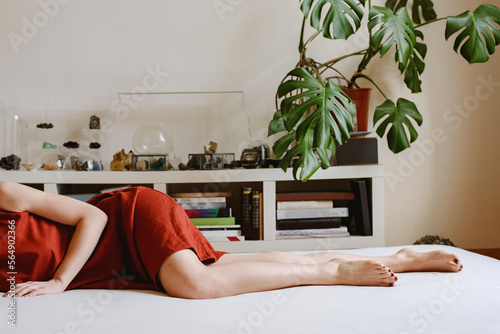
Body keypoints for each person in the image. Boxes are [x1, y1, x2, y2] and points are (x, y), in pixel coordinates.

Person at [0, 181, 462, 299]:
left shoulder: (3, 194)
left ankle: (332, 272)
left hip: (128, 219)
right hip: (123, 265)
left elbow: (91, 218)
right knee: (220, 268)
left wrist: (60, 282)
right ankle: (400, 257)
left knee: (196, 284)